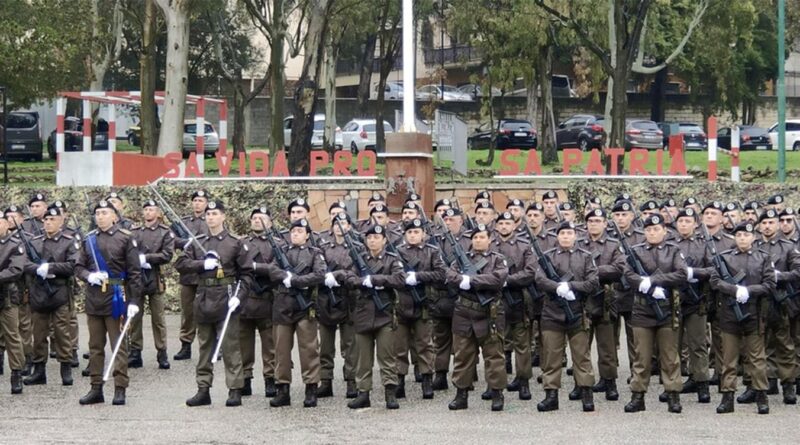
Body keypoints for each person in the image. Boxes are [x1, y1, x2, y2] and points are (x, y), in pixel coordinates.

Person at [177, 200, 253, 408]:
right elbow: (181, 264)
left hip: (227, 297)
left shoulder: (235, 243)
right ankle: (203, 388)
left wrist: (240, 296)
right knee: (205, 347)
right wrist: (202, 264)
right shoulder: (197, 242)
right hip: (203, 297)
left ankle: (235, 389)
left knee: (230, 347)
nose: (210, 217)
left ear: (223, 216)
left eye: (215, 213)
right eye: (208, 214)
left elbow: (246, 274)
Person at [75, 199, 143, 406]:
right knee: (95, 347)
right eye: (97, 213)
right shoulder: (89, 240)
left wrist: (134, 301)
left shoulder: (125, 239)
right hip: (95, 298)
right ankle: (96, 387)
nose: (100, 216)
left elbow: (135, 273)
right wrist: (89, 276)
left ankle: (120, 387)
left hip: (118, 297)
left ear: (114, 216)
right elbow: (78, 267)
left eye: (105, 212)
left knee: (118, 345)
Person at [623, 215, 687, 414]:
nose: (652, 233)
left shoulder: (674, 250)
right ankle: (638, 396)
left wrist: (654, 280)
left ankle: (673, 395)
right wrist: (642, 283)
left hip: (667, 309)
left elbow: (682, 274)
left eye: (656, 229)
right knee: (641, 357)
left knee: (669, 357)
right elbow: (627, 273)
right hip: (643, 311)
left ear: (664, 231)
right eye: (648, 230)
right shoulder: (636, 251)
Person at [710, 222, 775, 414]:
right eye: (739, 235)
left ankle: (761, 395)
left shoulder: (763, 257)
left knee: (757, 358)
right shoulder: (723, 258)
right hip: (730, 315)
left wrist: (749, 291)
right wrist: (734, 290)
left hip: (754, 314)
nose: (742, 238)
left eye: (746, 235)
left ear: (753, 237)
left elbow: (770, 284)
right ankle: (727, 396)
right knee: (729, 359)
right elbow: (715, 281)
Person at [536, 221, 600, 412]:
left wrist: (572, 287)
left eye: (569, 233)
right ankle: (551, 396)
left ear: (575, 235)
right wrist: (557, 288)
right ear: (557, 236)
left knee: (582, 356)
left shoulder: (586, 257)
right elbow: (539, 280)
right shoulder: (547, 257)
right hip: (552, 313)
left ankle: (586, 394)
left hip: (578, 312)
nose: (565, 236)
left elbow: (593, 281)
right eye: (562, 233)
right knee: (551, 357)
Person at [446, 224, 509, 412]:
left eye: (482, 237)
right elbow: (450, 275)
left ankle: (497, 393)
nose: (478, 240)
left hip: (490, 313)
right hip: (464, 312)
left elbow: (498, 279)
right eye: (475, 238)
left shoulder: (498, 260)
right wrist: (461, 280)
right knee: (463, 355)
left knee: (494, 355)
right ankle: (461, 394)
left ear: (489, 239)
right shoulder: (461, 259)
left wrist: (471, 281)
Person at [264, 218, 326, 408]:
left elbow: (320, 274)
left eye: (300, 231)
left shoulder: (315, 253)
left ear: (307, 235)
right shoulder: (281, 251)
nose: (296, 234)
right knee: (281, 351)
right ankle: (283, 389)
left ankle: (311, 388)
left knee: (309, 350)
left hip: (304, 306)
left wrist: (296, 281)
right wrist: (285, 277)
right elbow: (273, 270)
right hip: (283, 306)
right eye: (293, 231)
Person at [346, 224, 405, 410]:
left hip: (384, 313)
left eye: (376, 237)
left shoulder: (392, 260)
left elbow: (400, 279)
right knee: (363, 358)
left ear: (384, 240)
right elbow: (348, 278)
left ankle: (390, 393)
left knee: (387, 356)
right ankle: (363, 393)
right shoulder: (358, 259)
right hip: (363, 312)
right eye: (369, 237)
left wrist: (376, 280)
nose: (372, 240)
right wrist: (364, 282)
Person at [21, 206, 79, 387]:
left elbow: (72, 265)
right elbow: (23, 263)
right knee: (38, 333)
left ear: (61, 221)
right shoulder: (35, 242)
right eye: (46, 220)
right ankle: (39, 370)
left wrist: (51, 268)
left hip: (60, 292)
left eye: (52, 220)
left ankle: (66, 368)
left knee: (62, 332)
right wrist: (37, 269)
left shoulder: (69, 242)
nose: (48, 222)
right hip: (39, 293)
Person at [394, 218, 447, 400]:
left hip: (424, 303)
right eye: (410, 232)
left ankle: (426, 381)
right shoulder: (397, 252)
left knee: (425, 345)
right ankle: (399, 382)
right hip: (402, 304)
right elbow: (392, 275)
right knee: (399, 346)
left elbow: (441, 274)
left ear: (423, 234)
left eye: (416, 232)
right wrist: (403, 278)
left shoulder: (432, 252)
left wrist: (418, 276)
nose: (413, 235)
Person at [579, 208, 626, 402]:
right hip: (584, 299)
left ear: (605, 223)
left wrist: (592, 271)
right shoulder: (579, 243)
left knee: (606, 346)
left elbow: (619, 268)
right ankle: (582, 384)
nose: (594, 224)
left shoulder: (614, 245)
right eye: (590, 221)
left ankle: (609, 382)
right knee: (582, 346)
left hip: (606, 299)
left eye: (598, 221)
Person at [491, 211, 536, 401]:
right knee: (494, 344)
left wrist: (507, 280)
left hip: (518, 300)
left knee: (522, 344)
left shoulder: (524, 246)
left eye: (507, 223)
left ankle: (523, 381)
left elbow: (530, 271)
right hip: (495, 301)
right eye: (501, 223)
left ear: (514, 225)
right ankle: (494, 384)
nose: (504, 226)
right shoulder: (489, 245)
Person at [318, 213, 360, 399]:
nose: (339, 226)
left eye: (343, 223)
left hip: (348, 298)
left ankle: (352, 381)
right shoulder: (323, 247)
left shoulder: (357, 248)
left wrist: (338, 275)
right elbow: (317, 267)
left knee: (350, 344)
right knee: (326, 345)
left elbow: (357, 270)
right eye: (336, 223)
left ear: (349, 226)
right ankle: (325, 380)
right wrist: (325, 277)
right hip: (327, 299)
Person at [129, 199, 175, 370]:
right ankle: (135, 352)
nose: (148, 212)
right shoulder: (134, 232)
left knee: (158, 319)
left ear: (158, 212)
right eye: (146, 209)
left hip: (154, 277)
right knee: (135, 317)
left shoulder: (165, 232)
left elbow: (167, 254)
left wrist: (147, 258)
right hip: (137, 277)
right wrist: (136, 260)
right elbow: (128, 251)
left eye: (151, 209)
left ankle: (162, 352)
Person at [241, 207, 278, 398]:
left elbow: (276, 268)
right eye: (254, 218)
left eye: (261, 218)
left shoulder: (277, 244)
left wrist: (255, 267)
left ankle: (270, 379)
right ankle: (245, 379)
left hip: (267, 298)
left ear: (270, 223)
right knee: (244, 344)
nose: (257, 221)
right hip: (246, 300)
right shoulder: (241, 243)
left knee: (270, 345)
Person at [173, 189, 210, 361]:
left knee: (209, 310)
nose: (197, 203)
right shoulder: (183, 223)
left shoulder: (211, 220)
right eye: (195, 200)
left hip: (206, 273)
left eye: (201, 200)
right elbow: (171, 240)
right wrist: (185, 242)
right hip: (188, 274)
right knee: (188, 312)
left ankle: (214, 345)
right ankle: (186, 345)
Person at [0, 212, 26, 394]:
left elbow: (15, 270)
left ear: (6, 224)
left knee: (12, 335)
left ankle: (16, 373)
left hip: (7, 295)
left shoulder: (15, 244)